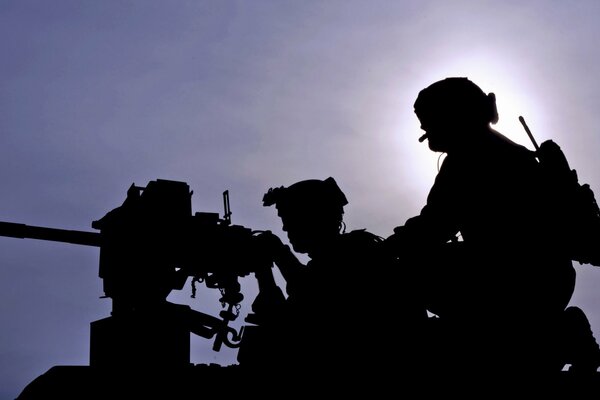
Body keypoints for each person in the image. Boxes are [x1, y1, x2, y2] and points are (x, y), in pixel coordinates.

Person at [385, 77, 600, 382]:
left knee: (410, 273)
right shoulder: (512, 151)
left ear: (453, 116)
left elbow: (434, 225)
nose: (426, 133)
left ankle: (557, 337)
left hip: (510, 279)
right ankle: (559, 336)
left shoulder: (469, 157)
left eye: (429, 122)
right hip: (549, 279)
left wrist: (389, 249)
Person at [237, 177, 425, 388]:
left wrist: (275, 257)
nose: (285, 228)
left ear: (312, 218)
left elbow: (306, 304)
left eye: (290, 219)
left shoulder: (357, 254)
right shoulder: (341, 257)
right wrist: (270, 262)